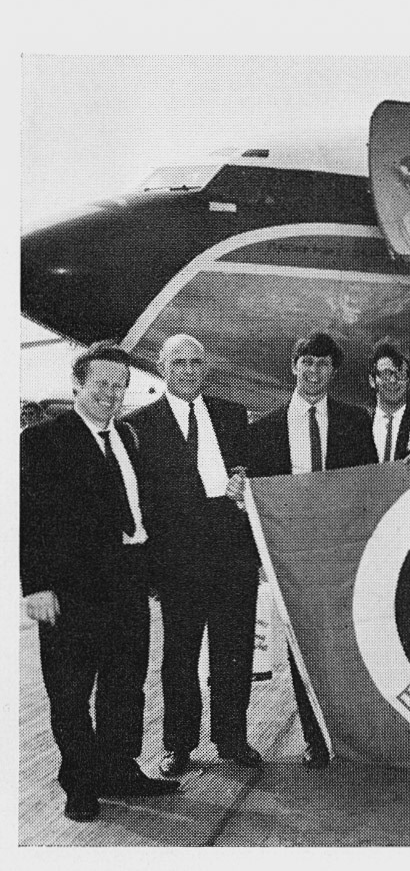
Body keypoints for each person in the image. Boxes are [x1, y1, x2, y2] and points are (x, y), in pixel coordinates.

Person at [21, 342, 179, 823]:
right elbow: (27, 517)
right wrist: (35, 586)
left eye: (119, 384)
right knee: (70, 691)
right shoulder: (42, 440)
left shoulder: (128, 437)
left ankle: (119, 769)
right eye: (101, 384)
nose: (110, 393)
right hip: (71, 589)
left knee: (125, 685)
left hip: (127, 583)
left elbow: (138, 506)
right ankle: (80, 782)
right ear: (78, 386)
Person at [127, 335, 262, 779]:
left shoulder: (230, 414)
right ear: (164, 368)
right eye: (178, 362)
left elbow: (249, 474)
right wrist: (149, 568)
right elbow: (141, 500)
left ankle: (232, 738)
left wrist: (243, 481)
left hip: (231, 557)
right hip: (177, 561)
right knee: (180, 657)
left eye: (195, 362)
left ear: (206, 368)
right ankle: (179, 744)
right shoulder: (140, 424)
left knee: (234, 651)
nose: (188, 370)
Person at [243, 331, 377, 768]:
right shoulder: (263, 429)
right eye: (307, 362)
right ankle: (317, 740)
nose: (314, 371)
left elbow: (368, 485)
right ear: (294, 366)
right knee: (304, 647)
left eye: (323, 364)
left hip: (340, 552)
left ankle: (354, 735)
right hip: (291, 556)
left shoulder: (357, 422)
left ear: (333, 372)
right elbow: (258, 499)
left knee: (347, 645)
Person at [368, 337, 410, 461]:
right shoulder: (356, 423)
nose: (393, 380)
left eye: (401, 374)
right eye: (386, 373)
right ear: (372, 380)